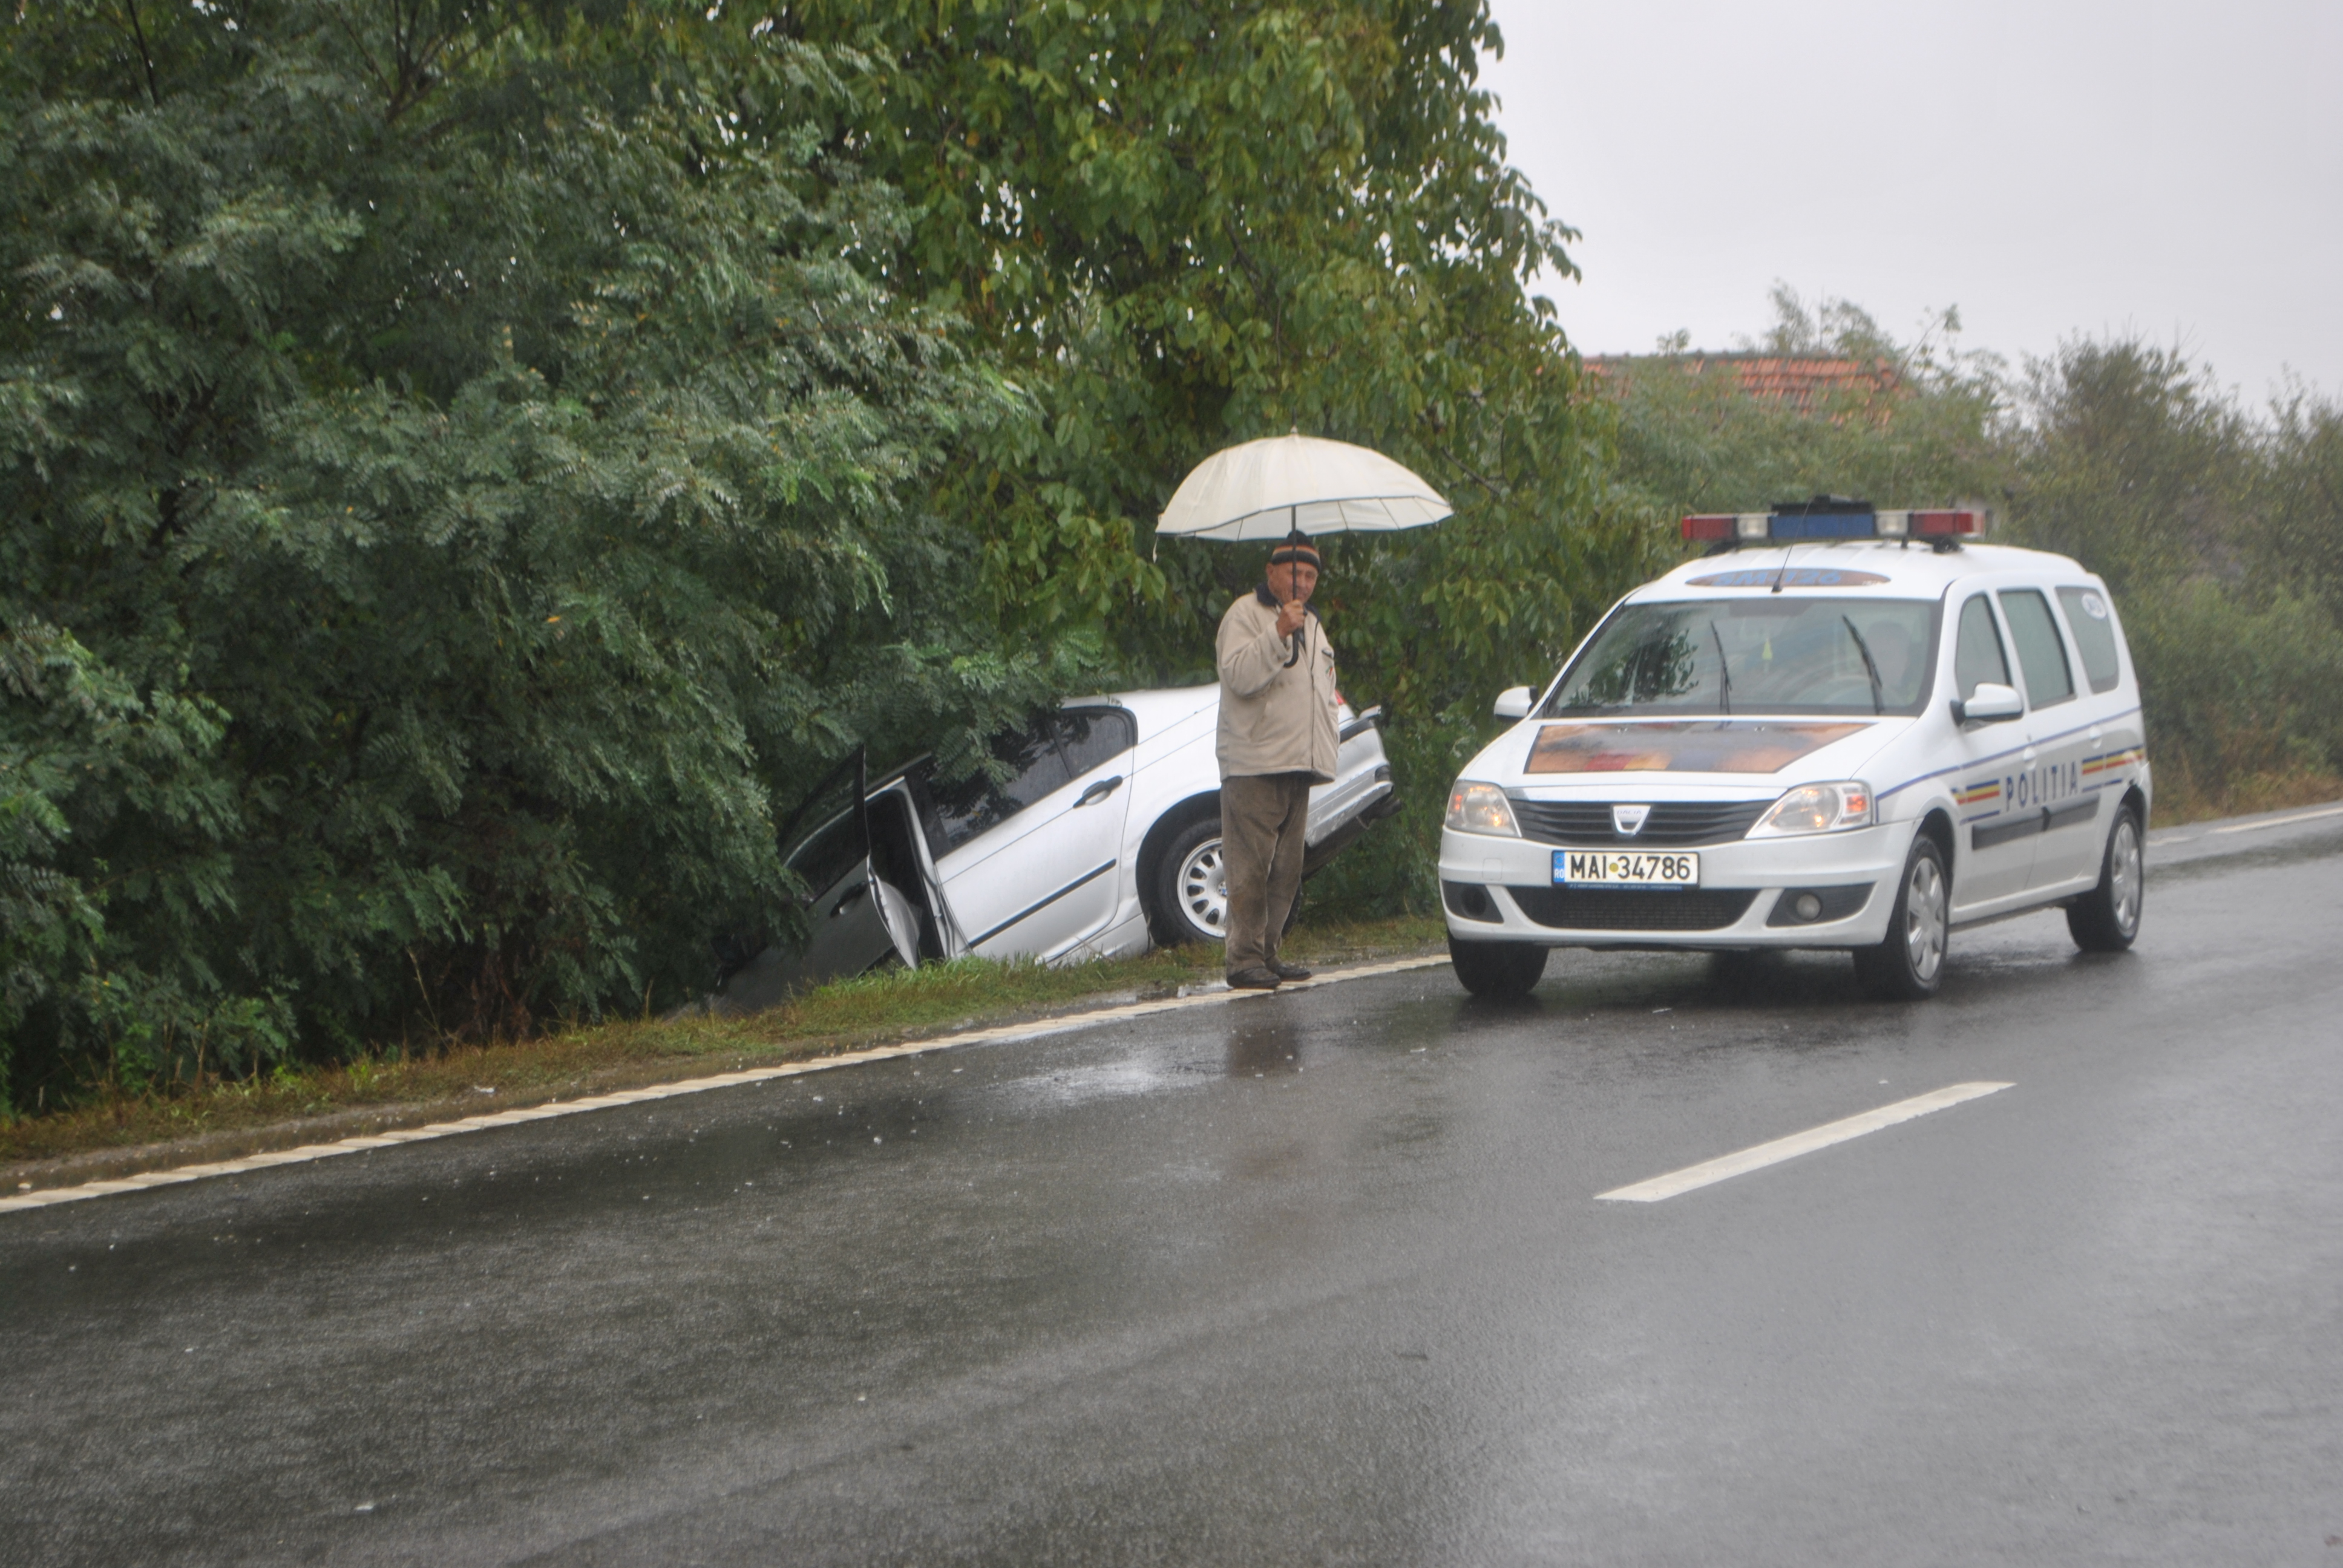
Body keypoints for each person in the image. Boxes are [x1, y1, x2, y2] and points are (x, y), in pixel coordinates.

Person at [1215, 531, 1341, 989]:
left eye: (1310, 575)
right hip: (1254, 763)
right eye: (1294, 572)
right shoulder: (1245, 615)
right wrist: (1278, 631)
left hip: (1298, 764)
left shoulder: (1314, 623)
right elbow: (1240, 676)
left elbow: (1323, 692)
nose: (1302, 583)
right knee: (1249, 868)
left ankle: (1267, 955)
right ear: (1271, 573)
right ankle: (1243, 959)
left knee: (1286, 871)